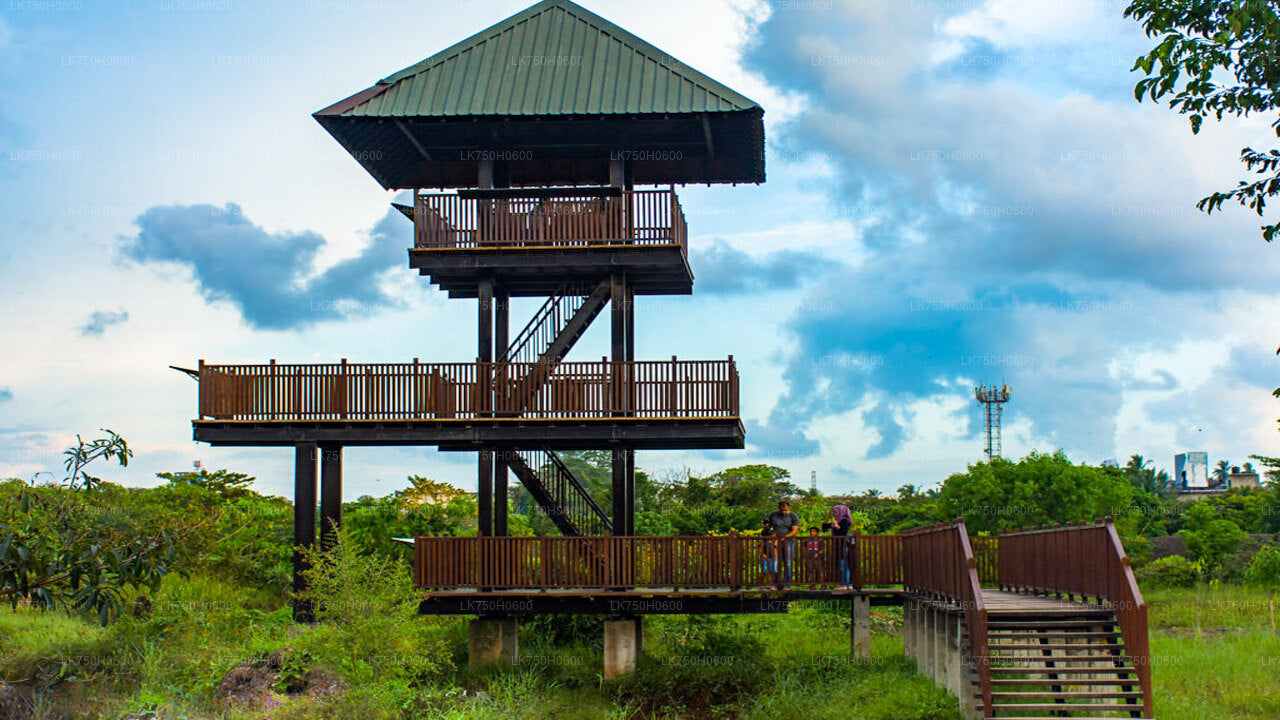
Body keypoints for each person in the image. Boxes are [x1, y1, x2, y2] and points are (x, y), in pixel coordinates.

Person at [766, 501, 800, 590]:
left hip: (788, 541)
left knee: (787, 563)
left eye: (786, 510)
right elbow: (770, 526)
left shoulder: (793, 516)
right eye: (782, 510)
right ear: (779, 508)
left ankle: (787, 584)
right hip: (775, 541)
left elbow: (795, 531)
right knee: (775, 561)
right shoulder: (773, 514)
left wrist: (783, 538)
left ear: (789, 508)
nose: (784, 512)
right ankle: (777, 583)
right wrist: (767, 526)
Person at [828, 504, 856, 590]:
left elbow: (843, 532)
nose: (835, 513)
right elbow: (824, 527)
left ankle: (845, 585)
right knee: (844, 565)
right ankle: (848, 585)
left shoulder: (845, 521)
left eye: (836, 511)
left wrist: (836, 525)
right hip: (840, 545)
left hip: (843, 545)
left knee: (844, 565)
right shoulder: (838, 520)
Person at [758, 520, 778, 590]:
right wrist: (764, 556)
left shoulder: (773, 542)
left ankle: (771, 585)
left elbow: (775, 549)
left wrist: (776, 558)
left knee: (772, 571)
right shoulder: (763, 542)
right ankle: (761, 585)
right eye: (771, 535)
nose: (773, 536)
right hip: (764, 558)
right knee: (764, 571)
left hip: (772, 558)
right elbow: (760, 550)